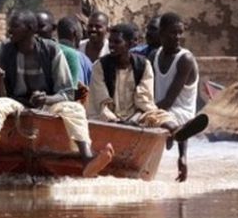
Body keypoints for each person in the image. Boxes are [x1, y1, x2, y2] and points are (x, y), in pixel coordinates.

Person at [0, 10, 113, 176]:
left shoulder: (51, 50)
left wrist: (47, 99)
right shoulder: (4, 50)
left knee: (74, 109)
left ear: (30, 29)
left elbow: (67, 93)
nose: (9, 31)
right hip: (17, 104)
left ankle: (87, 158)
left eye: (14, 26)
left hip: (49, 104)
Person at [88, 23, 208, 179]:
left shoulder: (143, 65)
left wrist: (136, 119)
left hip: (133, 116)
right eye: (110, 42)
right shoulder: (100, 66)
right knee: (104, 116)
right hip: (105, 117)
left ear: (132, 44)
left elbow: (143, 100)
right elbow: (101, 102)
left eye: (117, 42)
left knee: (160, 115)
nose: (111, 46)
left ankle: (176, 131)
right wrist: (116, 121)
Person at [152, 12, 207, 182]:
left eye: (180, 33)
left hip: (181, 114)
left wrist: (147, 112)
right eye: (173, 33)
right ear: (161, 33)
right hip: (160, 110)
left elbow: (169, 101)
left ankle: (177, 144)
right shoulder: (155, 55)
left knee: (151, 118)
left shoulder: (185, 59)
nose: (177, 37)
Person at [57, 16, 93, 86]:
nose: (82, 36)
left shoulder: (49, 53)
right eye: (81, 32)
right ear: (74, 33)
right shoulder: (81, 59)